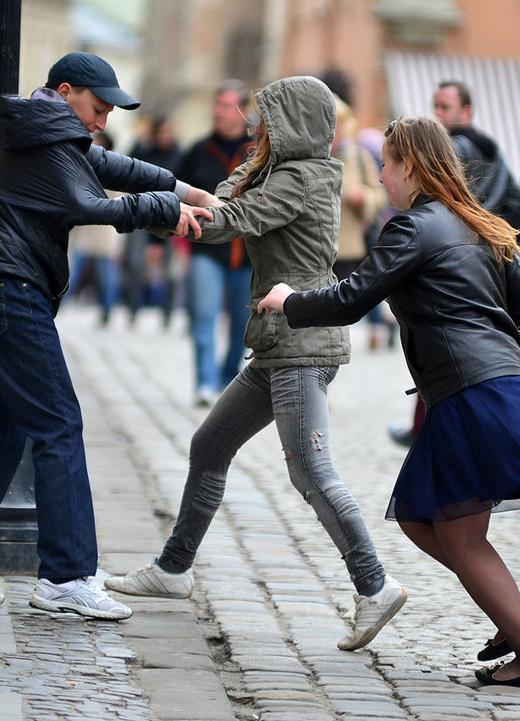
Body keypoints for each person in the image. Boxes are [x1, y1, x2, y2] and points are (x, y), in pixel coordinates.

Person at [257, 115, 520, 690]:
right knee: (418, 516)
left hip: (469, 390)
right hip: (495, 384)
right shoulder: (482, 224)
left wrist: (288, 300)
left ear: (409, 165)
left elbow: (353, 298)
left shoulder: (412, 228)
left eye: (385, 164)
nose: (380, 176)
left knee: (458, 534)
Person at [0, 51, 215, 620]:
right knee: (59, 425)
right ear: (65, 91)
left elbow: (112, 168)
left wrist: (186, 190)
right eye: (97, 108)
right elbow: (86, 203)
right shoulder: (48, 137)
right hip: (7, 290)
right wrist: (167, 210)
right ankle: (67, 577)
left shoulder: (43, 130)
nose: (101, 120)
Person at [105, 76, 407, 651]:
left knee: (311, 472)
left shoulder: (302, 176)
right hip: (277, 342)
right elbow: (231, 199)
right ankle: (173, 570)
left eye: (265, 117)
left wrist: (145, 213)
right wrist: (210, 189)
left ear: (292, 121)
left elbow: (233, 221)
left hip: (300, 342)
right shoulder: (285, 170)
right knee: (210, 446)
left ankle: (375, 585)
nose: (254, 126)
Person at [390, 80, 520, 447]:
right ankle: (447, 434)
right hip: (486, 259)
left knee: (441, 344)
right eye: (434, 105)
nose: (437, 113)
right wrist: (493, 232)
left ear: (466, 112)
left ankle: (428, 434)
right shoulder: (494, 152)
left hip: (451, 257)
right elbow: (518, 205)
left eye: (444, 107)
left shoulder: (454, 147)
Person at [176, 80, 254, 406]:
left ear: (243, 111)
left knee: (242, 324)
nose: (218, 112)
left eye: (226, 106)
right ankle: (205, 383)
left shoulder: (259, 151)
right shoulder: (198, 150)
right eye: (216, 105)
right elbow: (175, 192)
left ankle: (227, 379)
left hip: (248, 254)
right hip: (205, 248)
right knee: (204, 315)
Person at [331, 98, 389, 350]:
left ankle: (373, 329)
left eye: (337, 126)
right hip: (313, 247)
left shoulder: (357, 156)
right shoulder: (305, 159)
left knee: (347, 302)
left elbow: (380, 194)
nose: (333, 133)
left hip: (349, 246)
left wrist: (364, 197)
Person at [124, 115, 185, 326]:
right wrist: (140, 139)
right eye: (161, 132)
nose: (165, 137)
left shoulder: (181, 155)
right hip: (142, 214)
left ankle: (168, 313)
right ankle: (132, 309)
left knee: (171, 271)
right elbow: (127, 166)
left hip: (173, 215)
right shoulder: (144, 151)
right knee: (135, 264)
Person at [66, 130, 123, 325]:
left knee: (106, 276)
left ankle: (107, 309)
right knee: (73, 271)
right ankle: (60, 303)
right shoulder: (83, 166)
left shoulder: (113, 169)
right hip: (87, 229)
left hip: (104, 230)